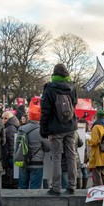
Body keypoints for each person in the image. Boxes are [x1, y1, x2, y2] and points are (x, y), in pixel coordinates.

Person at [40, 63, 78, 195]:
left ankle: (56, 188)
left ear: (54, 74)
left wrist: (43, 129)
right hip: (70, 127)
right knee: (71, 156)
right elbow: (74, 105)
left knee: (56, 157)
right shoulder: (72, 87)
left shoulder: (49, 88)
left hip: (55, 129)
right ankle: (72, 186)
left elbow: (45, 111)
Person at [17, 99, 51, 189]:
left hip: (23, 161)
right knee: (35, 190)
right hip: (37, 163)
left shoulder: (21, 129)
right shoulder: (41, 131)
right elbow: (48, 148)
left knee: (22, 188)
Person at [88, 110, 104, 186]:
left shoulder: (96, 127)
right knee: (103, 174)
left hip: (97, 154)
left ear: (97, 117)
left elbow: (94, 141)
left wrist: (88, 141)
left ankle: (99, 192)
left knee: (97, 174)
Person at [1, 111, 20, 188]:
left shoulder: (10, 128)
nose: (2, 120)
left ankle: (11, 184)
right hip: (8, 153)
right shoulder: (10, 127)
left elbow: (12, 144)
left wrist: (12, 156)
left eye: (4, 118)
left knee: (10, 172)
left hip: (9, 154)